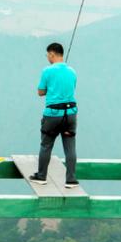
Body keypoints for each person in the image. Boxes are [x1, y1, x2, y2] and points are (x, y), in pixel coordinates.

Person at [29, 43, 79, 188]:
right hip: (70, 114)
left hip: (53, 114)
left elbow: (40, 92)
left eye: (47, 55)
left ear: (52, 54)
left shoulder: (47, 71)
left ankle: (41, 175)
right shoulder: (72, 71)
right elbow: (72, 89)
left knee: (46, 144)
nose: (47, 58)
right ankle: (71, 179)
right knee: (70, 147)